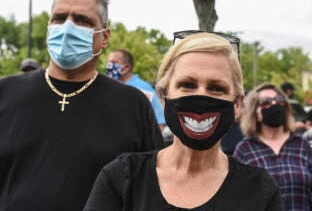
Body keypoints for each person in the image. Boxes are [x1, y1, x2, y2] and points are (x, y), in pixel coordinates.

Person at [0, 0, 164, 211]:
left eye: (82, 20)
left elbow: (153, 188)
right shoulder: (6, 93)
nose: (68, 27)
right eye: (59, 18)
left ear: (104, 37)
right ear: (48, 31)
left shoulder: (133, 105)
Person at [84, 32, 284, 210]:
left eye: (216, 88)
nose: (201, 97)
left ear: (237, 104)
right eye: (187, 85)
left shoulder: (260, 190)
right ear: (163, 97)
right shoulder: (121, 178)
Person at [233, 83, 312, 211]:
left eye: (280, 100)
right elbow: (236, 199)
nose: (274, 105)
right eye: (266, 102)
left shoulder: (302, 145)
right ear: (255, 112)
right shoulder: (244, 150)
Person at [107, 49, 166, 130]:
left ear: (126, 67)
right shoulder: (109, 88)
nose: (109, 66)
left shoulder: (144, 90)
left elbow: (160, 125)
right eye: (109, 62)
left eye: (114, 62)